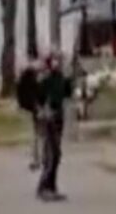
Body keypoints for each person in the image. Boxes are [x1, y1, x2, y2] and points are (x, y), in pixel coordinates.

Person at [35, 52, 73, 202]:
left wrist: (70, 79)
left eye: (60, 60)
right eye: (55, 60)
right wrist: (43, 112)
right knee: (51, 155)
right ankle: (43, 187)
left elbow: (67, 94)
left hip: (58, 117)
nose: (58, 63)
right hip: (48, 118)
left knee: (56, 155)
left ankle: (52, 186)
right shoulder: (45, 80)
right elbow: (37, 99)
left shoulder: (61, 79)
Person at [16, 58, 42, 170]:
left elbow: (21, 95)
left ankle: (36, 159)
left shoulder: (24, 79)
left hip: (31, 109)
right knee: (38, 135)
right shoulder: (32, 80)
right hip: (36, 109)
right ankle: (37, 159)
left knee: (36, 135)